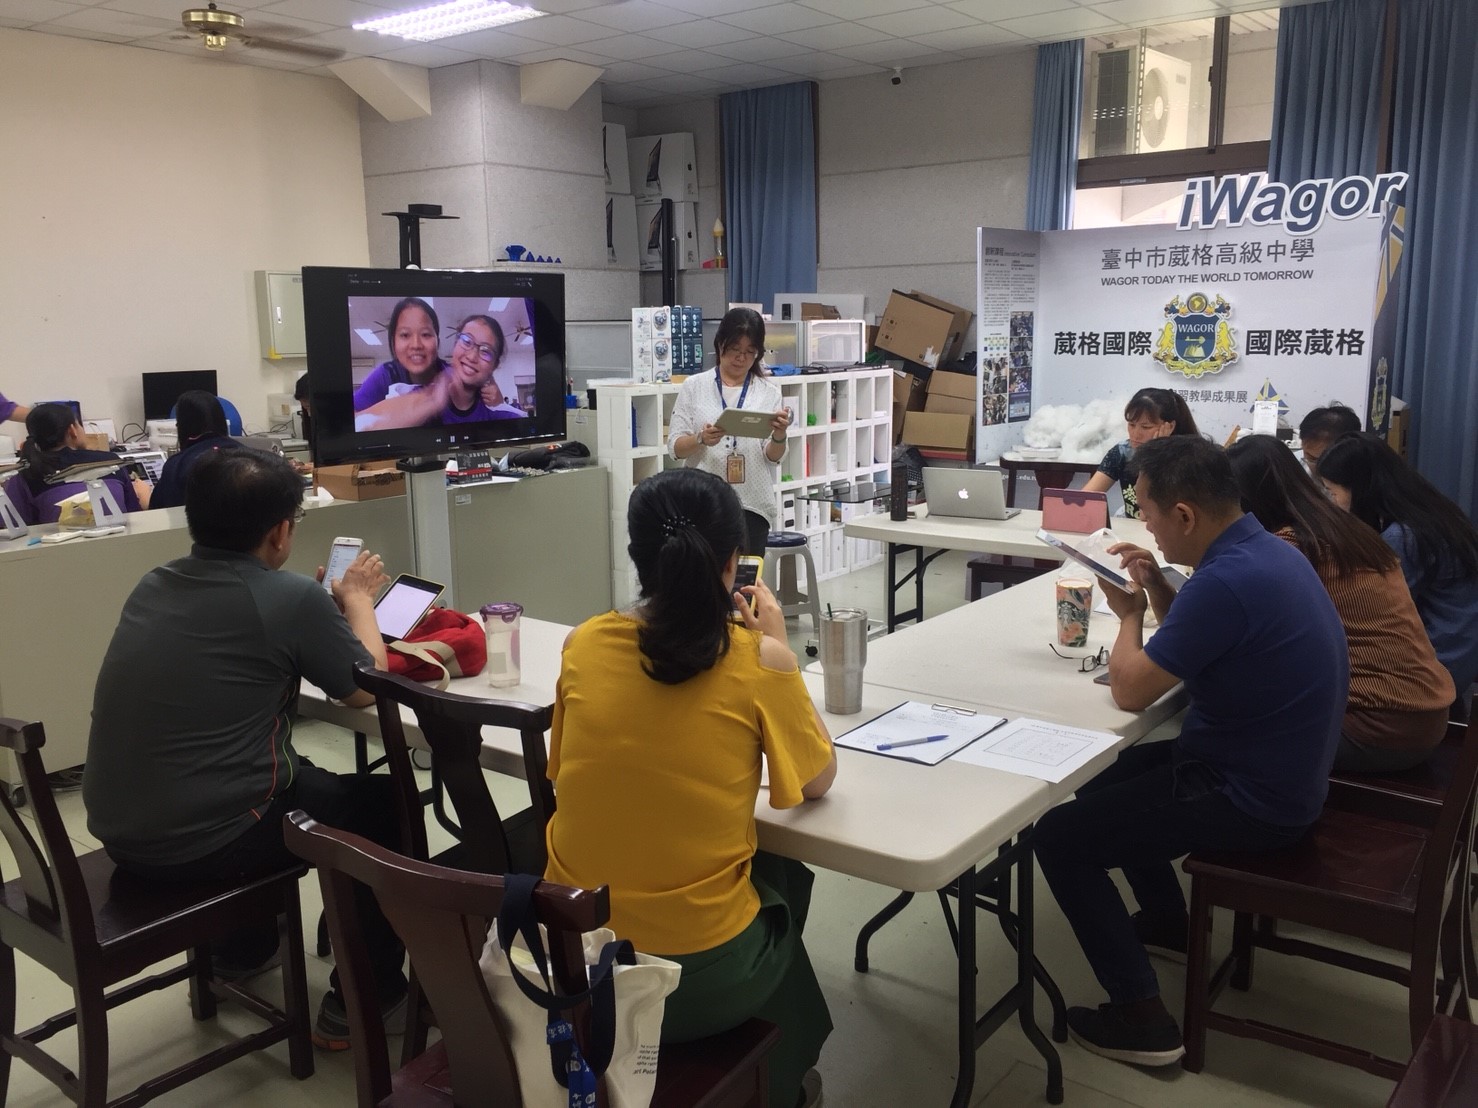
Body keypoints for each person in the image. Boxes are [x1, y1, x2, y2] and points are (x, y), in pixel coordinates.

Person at [1034, 435, 1348, 1068]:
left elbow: (1130, 690)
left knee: (1060, 838)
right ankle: (1166, 922)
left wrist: (1128, 614)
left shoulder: (1225, 581)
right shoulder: (1265, 552)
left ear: (1184, 514)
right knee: (1103, 774)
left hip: (1251, 796)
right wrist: (1155, 585)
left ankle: (1142, 1017)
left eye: (1148, 513)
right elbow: (1203, 635)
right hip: (1276, 767)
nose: (1145, 526)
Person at [83, 448, 408, 1050]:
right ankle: (367, 997)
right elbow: (367, 687)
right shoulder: (290, 598)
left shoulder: (154, 582)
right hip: (204, 843)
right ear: (281, 531)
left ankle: (242, 948)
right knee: (386, 805)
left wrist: (318, 613)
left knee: (294, 776)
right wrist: (360, 602)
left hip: (120, 831)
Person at [543, 468, 835, 1108]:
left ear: (637, 557)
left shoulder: (582, 644)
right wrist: (780, 650)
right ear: (734, 561)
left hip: (574, 956)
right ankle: (780, 1076)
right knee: (782, 875)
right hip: (693, 981)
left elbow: (563, 771)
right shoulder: (758, 660)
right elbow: (817, 782)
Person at [1227, 434, 1454, 771]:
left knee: (1224, 729)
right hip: (1424, 714)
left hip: (1379, 727)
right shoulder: (1340, 527)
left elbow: (1230, 633)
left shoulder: (1290, 546)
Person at [1316, 433, 1478, 702]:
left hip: (1436, 672)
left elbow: (1371, 610)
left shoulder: (1404, 538)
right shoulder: (1430, 511)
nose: (1332, 504)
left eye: (1333, 492)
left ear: (1360, 488)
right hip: (1458, 654)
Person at [667, 308, 793, 554]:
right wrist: (700, 439)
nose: (741, 358)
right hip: (703, 502)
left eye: (750, 352)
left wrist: (780, 436)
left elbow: (773, 457)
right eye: (735, 349)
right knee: (704, 573)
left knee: (745, 575)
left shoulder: (768, 392)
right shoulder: (695, 386)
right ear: (720, 343)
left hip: (752, 505)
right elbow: (675, 448)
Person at [354, 314, 522, 431]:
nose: (472, 356)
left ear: (494, 365)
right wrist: (432, 402)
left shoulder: (499, 414)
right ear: (455, 344)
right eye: (466, 341)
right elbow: (361, 425)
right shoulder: (413, 395)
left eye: (485, 351)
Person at [3, 402, 147, 523]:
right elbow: (133, 513)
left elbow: (17, 526)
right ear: (73, 430)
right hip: (119, 543)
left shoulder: (27, 474)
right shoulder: (111, 462)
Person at [1083, 388, 1199, 518]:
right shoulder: (1123, 451)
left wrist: (1155, 455)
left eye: (1146, 427)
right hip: (1132, 528)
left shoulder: (1187, 459)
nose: (1136, 434)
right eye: (1131, 425)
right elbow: (1085, 499)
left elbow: (1147, 516)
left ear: (1170, 427)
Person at [149, 390, 241, 509]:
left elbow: (164, 511)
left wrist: (145, 498)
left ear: (181, 427)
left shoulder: (176, 466)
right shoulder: (248, 456)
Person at [351, 296, 445, 412]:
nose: (416, 345)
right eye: (405, 335)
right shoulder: (386, 374)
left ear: (437, 341)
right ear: (393, 342)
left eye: (425, 334)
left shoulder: (452, 376)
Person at [1297, 403, 1361, 474]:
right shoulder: (1294, 465)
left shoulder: (1365, 474)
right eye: (1312, 458)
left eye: (1326, 460)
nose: (1320, 468)